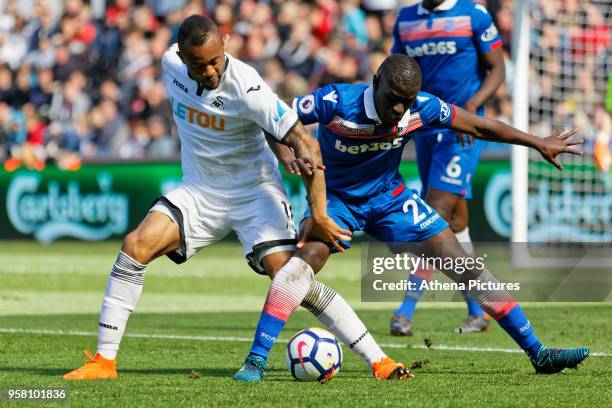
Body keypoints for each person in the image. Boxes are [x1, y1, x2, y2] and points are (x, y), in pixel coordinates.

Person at [63, 15, 409, 381]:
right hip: (200, 190)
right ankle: (104, 362)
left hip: (254, 194)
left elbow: (305, 142)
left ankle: (378, 360)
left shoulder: (248, 86)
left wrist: (319, 214)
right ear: (181, 57)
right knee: (136, 245)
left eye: (216, 60)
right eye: (199, 65)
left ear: (225, 42)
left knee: (290, 279)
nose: (211, 71)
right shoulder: (169, 63)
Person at [235, 54, 589, 382]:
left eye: (407, 100)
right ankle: (255, 359)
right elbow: (273, 116)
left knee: (466, 266)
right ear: (376, 82)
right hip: (338, 201)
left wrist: (536, 142)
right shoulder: (336, 101)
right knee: (302, 264)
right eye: (394, 98)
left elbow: (478, 127)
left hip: (391, 200)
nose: (400, 108)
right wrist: (286, 156)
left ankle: (538, 353)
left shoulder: (422, 107)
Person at [389, 0, 506, 335]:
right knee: (455, 222)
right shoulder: (406, 19)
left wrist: (471, 107)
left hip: (462, 132)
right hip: (425, 129)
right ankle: (478, 310)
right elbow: (398, 69)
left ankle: (405, 309)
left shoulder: (474, 14)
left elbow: (498, 69)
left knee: (434, 216)